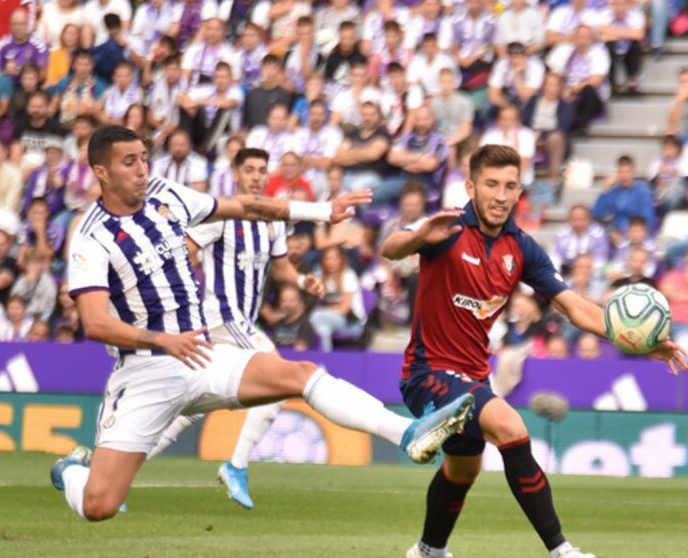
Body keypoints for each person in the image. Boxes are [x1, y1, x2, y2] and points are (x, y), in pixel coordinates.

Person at [48, 125, 475, 524]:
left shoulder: (165, 194)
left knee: (301, 374)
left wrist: (322, 210)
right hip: (145, 372)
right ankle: (72, 470)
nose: (142, 170)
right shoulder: (91, 236)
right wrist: (163, 339)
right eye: (129, 162)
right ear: (100, 172)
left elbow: (247, 207)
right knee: (99, 505)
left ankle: (409, 433)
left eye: (144, 158)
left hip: (202, 356)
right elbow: (95, 322)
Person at [380, 144, 686, 558]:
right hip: (429, 371)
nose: (501, 195)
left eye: (509, 185)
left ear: (519, 189)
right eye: (491, 184)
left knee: (464, 469)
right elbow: (390, 248)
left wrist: (635, 340)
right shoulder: (444, 228)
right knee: (510, 427)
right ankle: (563, 554)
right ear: (471, 187)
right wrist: (417, 235)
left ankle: (429, 553)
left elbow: (576, 307)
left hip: (472, 377)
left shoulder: (520, 248)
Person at [143, 148, 327, 508]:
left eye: (262, 170)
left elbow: (282, 269)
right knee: (280, 378)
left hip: (242, 321)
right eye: (250, 170)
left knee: (187, 407)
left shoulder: (273, 220)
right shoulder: (221, 215)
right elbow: (185, 251)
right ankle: (236, 465)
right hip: (220, 318)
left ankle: (108, 467)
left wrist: (305, 283)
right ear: (236, 174)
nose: (257, 177)